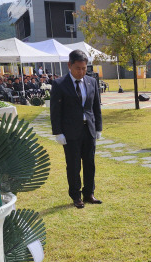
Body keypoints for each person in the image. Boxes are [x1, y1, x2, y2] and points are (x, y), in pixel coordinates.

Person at [50, 49, 103, 209]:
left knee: (89, 163)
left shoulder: (92, 82)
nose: (81, 72)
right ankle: (76, 195)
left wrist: (98, 127)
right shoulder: (59, 84)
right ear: (69, 65)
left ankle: (89, 193)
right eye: (78, 68)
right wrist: (58, 132)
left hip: (89, 130)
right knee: (73, 165)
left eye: (84, 68)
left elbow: (96, 107)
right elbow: (55, 111)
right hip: (70, 132)